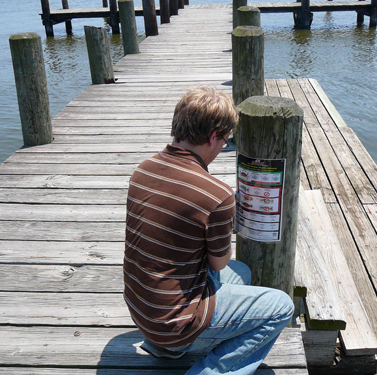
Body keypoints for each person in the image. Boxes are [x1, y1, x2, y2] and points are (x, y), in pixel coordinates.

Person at [124, 86, 294, 374]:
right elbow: (218, 262)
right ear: (214, 136)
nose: (222, 147)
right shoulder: (217, 194)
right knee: (281, 307)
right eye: (225, 141)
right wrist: (226, 218)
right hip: (173, 325)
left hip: (141, 311)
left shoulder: (143, 169)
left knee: (242, 274)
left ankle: (167, 348)